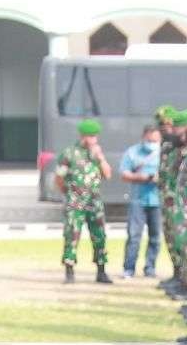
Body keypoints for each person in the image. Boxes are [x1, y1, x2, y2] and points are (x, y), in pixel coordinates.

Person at [54, 118, 113, 284]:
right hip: (75, 202)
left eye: (95, 136)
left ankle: (101, 271)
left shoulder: (97, 154)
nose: (94, 140)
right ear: (82, 136)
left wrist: (100, 158)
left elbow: (108, 175)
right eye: (91, 136)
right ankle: (69, 271)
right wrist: (69, 193)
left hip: (95, 202)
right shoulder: (69, 153)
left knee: (99, 235)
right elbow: (59, 178)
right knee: (72, 234)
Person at [119, 124, 163, 279]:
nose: (152, 143)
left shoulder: (163, 153)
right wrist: (142, 177)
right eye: (150, 139)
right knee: (134, 236)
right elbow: (124, 174)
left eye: (156, 140)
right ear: (144, 136)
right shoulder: (132, 153)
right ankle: (128, 269)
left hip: (157, 201)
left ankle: (150, 268)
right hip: (138, 200)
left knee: (156, 237)